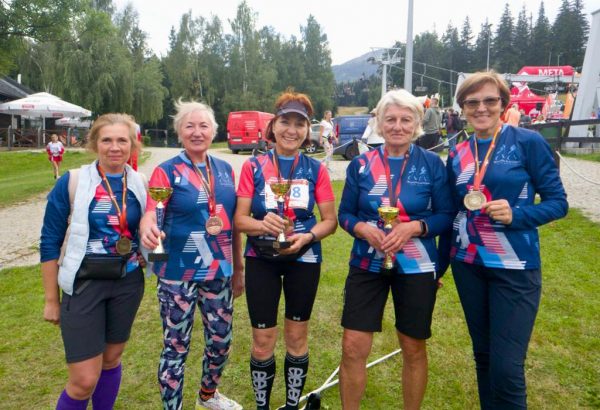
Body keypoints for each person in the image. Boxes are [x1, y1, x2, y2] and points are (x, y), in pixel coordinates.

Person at [446, 71, 568, 409]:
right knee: (484, 356)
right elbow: (453, 212)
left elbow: (558, 203)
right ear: (462, 108)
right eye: (472, 102)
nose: (481, 108)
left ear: (503, 103)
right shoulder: (458, 152)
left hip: (515, 266)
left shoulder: (527, 142)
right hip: (469, 264)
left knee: (507, 367)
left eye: (490, 100)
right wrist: (438, 268)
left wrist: (518, 215)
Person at [338, 89, 454, 410]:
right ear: (379, 123)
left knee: (413, 347)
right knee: (352, 347)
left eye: (406, 119)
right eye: (390, 119)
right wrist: (362, 229)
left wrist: (414, 227)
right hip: (367, 263)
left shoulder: (432, 164)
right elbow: (345, 214)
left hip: (417, 265)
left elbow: (446, 215)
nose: (398, 126)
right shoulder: (360, 165)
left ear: (417, 124)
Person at [234, 91, 338, 410]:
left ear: (307, 130)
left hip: (304, 258)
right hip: (261, 259)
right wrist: (261, 224)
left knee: (296, 338)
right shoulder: (254, 166)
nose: (291, 130)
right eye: (285, 122)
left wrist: (308, 237)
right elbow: (239, 220)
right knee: (262, 341)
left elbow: (330, 221)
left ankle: (292, 406)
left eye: (299, 124)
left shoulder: (316, 169)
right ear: (273, 126)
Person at [139, 100, 244, 410]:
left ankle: (207, 396)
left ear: (214, 131)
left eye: (203, 126)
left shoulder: (225, 170)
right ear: (179, 132)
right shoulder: (166, 171)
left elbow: (232, 223)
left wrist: (238, 268)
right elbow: (152, 212)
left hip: (219, 271)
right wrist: (147, 228)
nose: (197, 132)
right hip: (177, 274)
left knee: (221, 342)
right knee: (176, 347)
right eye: (189, 126)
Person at [40, 113, 147, 410]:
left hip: (127, 283)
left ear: (132, 145)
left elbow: (147, 228)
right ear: (94, 144)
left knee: (111, 360)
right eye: (107, 140)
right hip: (84, 284)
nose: (115, 147)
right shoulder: (72, 181)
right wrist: (51, 300)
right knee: (84, 380)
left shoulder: (140, 183)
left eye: (122, 140)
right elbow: (49, 242)